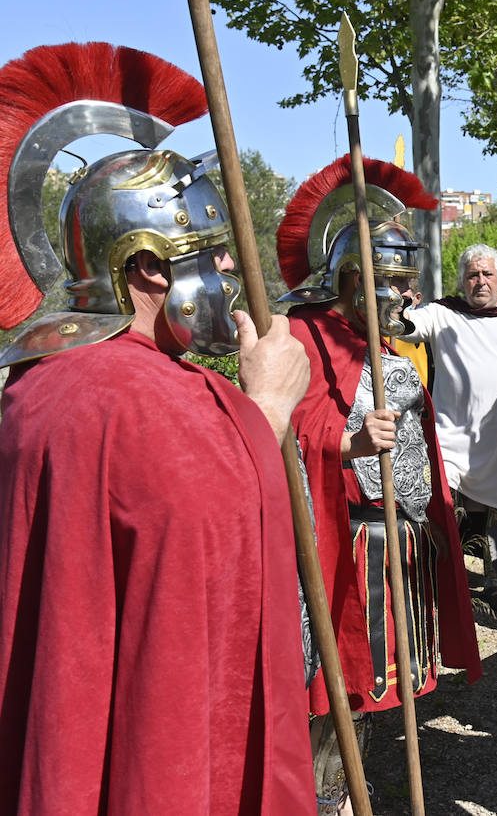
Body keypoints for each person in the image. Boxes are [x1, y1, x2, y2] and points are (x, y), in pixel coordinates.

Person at [0, 41, 313, 813]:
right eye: (210, 253)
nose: (229, 271)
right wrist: (268, 408)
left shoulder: (37, 384)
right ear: (146, 265)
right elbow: (205, 536)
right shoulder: (143, 399)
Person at [275, 156, 483, 812]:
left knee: (371, 690)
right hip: (345, 544)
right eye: (390, 282)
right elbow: (278, 431)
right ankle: (323, 797)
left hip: (400, 538)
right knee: (332, 683)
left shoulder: (387, 345)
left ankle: (349, 784)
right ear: (352, 277)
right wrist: (348, 443)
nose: (402, 297)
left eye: (406, 284)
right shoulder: (302, 335)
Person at [401, 243, 497, 611]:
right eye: (472, 275)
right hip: (453, 435)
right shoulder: (442, 314)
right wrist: (396, 299)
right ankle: (444, 577)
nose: (480, 281)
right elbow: (403, 328)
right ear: (462, 280)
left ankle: (495, 583)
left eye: (487, 274)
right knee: (445, 506)